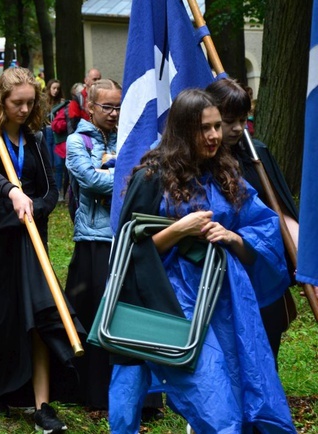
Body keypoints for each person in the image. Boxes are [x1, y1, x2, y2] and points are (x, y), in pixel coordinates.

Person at [108, 89, 295, 433]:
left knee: (242, 389)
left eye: (216, 127)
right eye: (204, 128)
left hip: (226, 304)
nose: (214, 136)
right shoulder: (151, 176)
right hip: (169, 304)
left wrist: (234, 238)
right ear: (182, 130)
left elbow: (265, 227)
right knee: (215, 406)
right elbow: (128, 250)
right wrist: (180, 229)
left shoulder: (225, 173)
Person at [0, 67, 81, 433]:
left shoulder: (37, 139)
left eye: (30, 102)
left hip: (29, 241)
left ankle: (43, 404)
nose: (24, 110)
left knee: (39, 316)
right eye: (17, 103)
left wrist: (34, 208)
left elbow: (51, 191)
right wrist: (13, 192)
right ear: (1, 101)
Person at [206, 78, 297, 363]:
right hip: (218, 269)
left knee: (266, 341)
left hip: (260, 265)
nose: (237, 128)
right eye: (229, 120)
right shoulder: (202, 159)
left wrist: (304, 259)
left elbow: (281, 211)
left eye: (243, 119)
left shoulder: (257, 154)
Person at [64, 79, 120, 411]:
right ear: (91, 107)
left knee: (123, 317)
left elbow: (148, 176)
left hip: (124, 239)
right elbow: (91, 180)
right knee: (91, 317)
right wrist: (124, 172)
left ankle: (135, 394)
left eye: (117, 106)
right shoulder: (76, 141)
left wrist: (112, 166)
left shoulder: (129, 136)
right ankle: (91, 393)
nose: (113, 113)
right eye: (107, 106)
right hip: (93, 241)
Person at [44, 79, 67, 201]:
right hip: (48, 132)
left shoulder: (62, 103)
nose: (56, 90)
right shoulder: (44, 103)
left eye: (58, 88)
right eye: (53, 88)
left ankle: (58, 191)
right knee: (49, 163)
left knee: (58, 164)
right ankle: (50, 190)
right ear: (49, 89)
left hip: (58, 133)